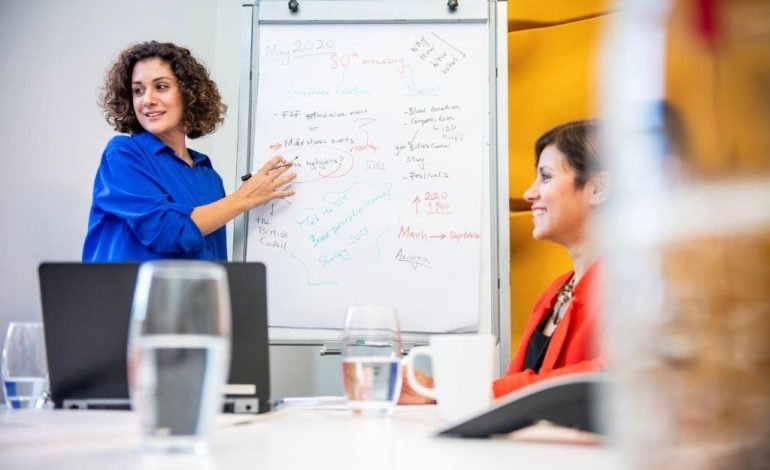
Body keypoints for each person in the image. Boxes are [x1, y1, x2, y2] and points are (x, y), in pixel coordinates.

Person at [400, 119, 608, 403]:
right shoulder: (556, 293)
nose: (529, 194)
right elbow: (519, 395)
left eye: (546, 177)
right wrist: (438, 392)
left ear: (599, 188)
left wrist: (467, 392)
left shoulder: (635, 290)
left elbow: (610, 378)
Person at [83, 41, 295, 261]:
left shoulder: (208, 176)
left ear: (188, 93)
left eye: (161, 87)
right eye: (138, 90)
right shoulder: (123, 154)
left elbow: (213, 260)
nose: (147, 100)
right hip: (128, 285)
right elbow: (167, 231)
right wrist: (244, 198)